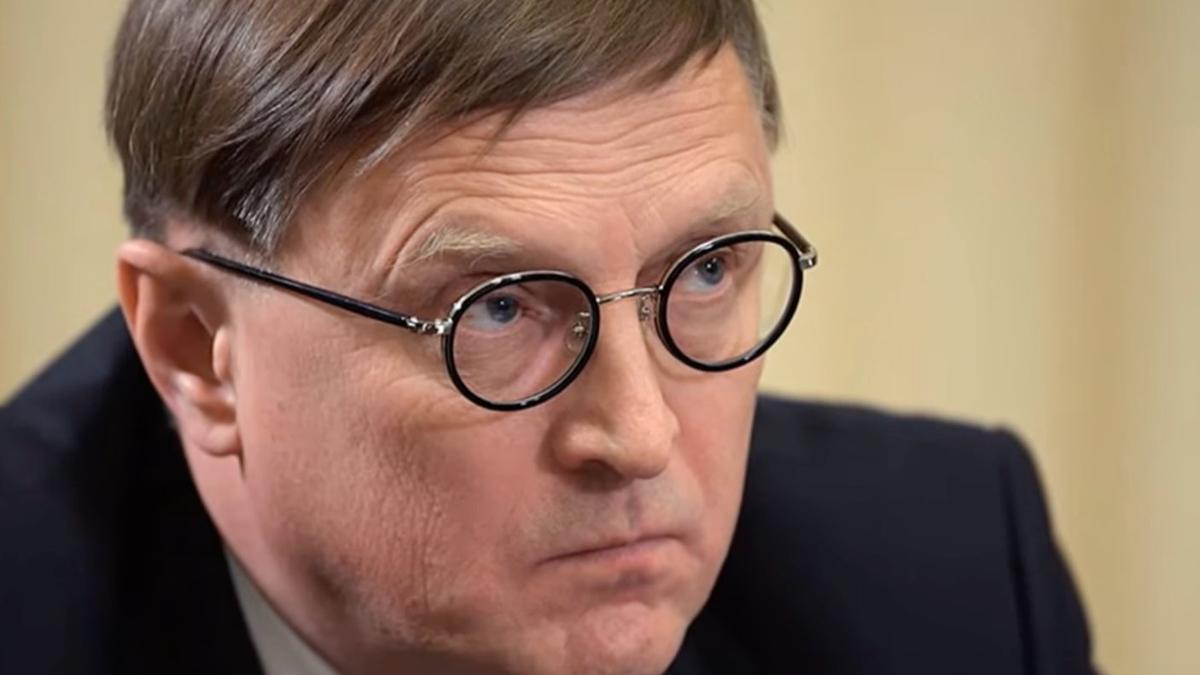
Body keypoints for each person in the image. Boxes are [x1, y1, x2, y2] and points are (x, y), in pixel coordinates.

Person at [0, 1, 1096, 674]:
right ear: (197, 345)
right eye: (498, 306)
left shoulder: (946, 584)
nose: (640, 436)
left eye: (705, 270)